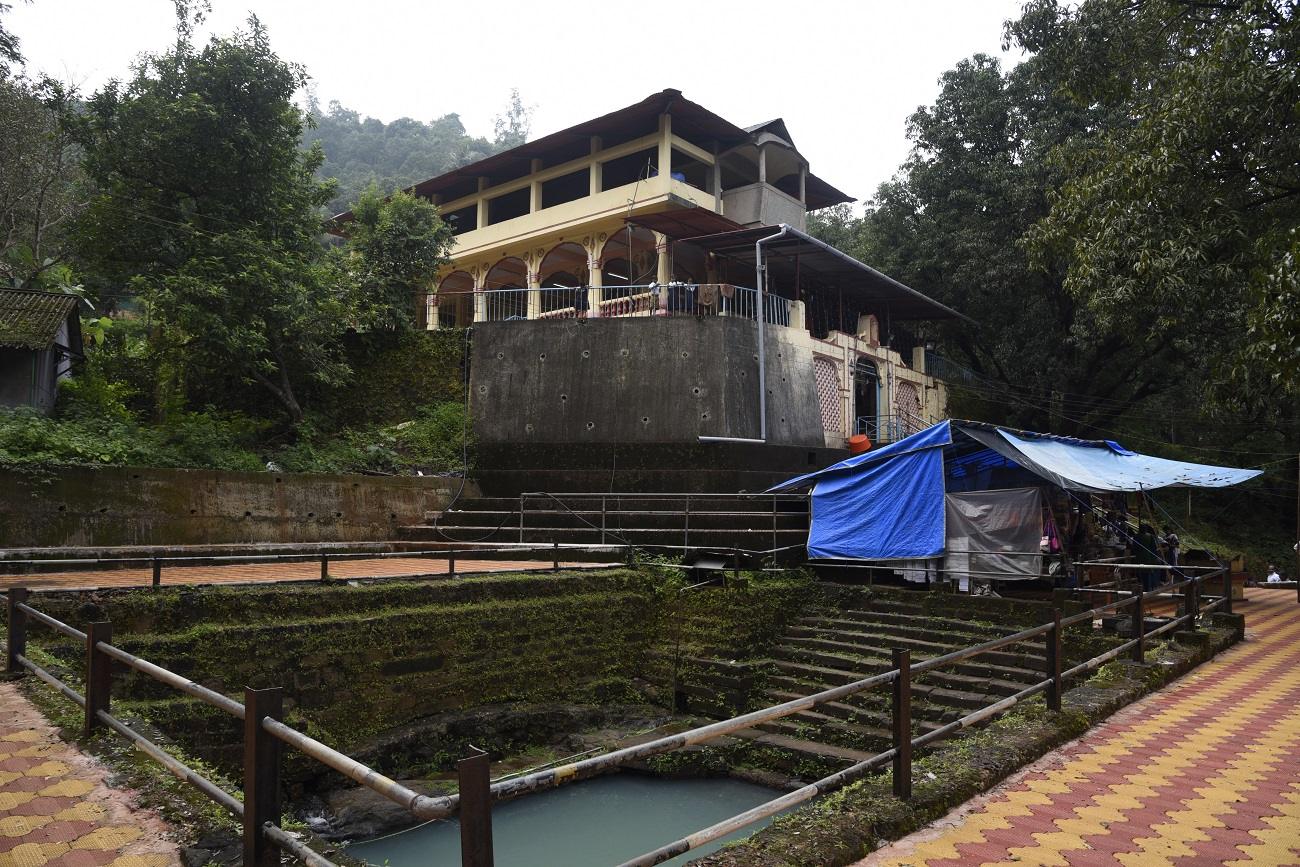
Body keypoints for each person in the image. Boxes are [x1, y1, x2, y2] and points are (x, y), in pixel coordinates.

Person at [1133, 523, 1163, 592]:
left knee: (1142, 573)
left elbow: (1134, 547)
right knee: (1148, 573)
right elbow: (1154, 548)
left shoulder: (1136, 536)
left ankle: (1146, 587)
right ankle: (1149, 587)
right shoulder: (1150, 536)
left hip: (1141, 558)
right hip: (1148, 558)